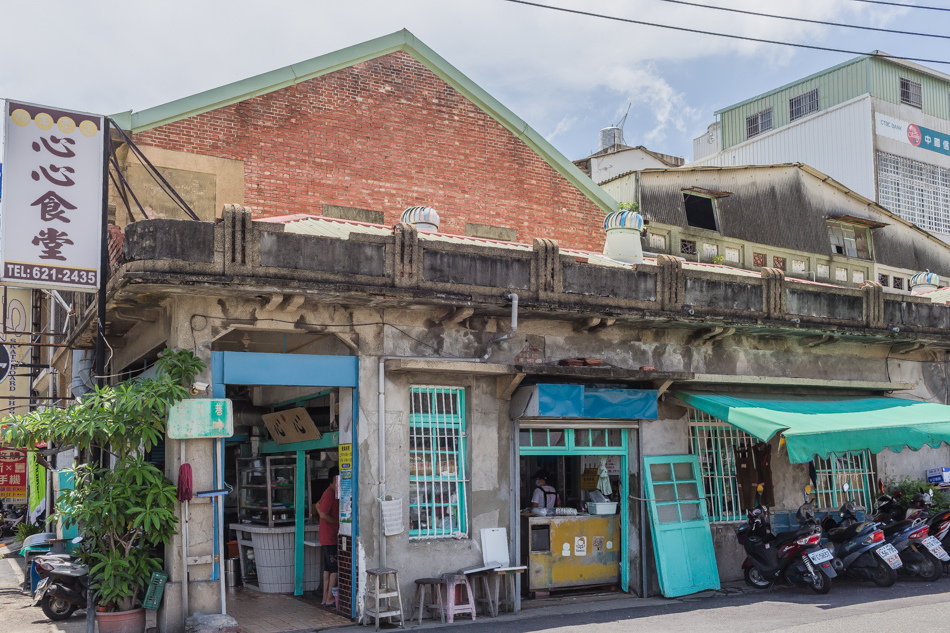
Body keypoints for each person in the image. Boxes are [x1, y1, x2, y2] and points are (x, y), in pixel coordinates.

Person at [315, 467, 340, 608]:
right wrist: (339, 522)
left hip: (326, 535)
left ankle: (325, 598)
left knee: (327, 568)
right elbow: (323, 514)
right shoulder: (330, 493)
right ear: (336, 479)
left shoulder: (328, 492)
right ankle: (330, 597)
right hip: (330, 537)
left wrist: (323, 517)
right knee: (334, 569)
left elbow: (318, 507)